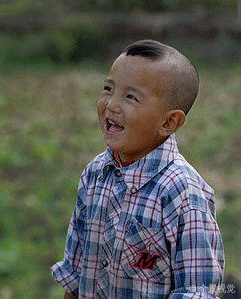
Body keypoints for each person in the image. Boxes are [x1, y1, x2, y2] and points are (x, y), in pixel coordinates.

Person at [51, 40, 225, 298]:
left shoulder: (183, 194)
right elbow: (75, 273)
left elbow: (196, 292)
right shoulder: (95, 174)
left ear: (169, 122)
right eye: (108, 88)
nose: (111, 105)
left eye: (130, 96)